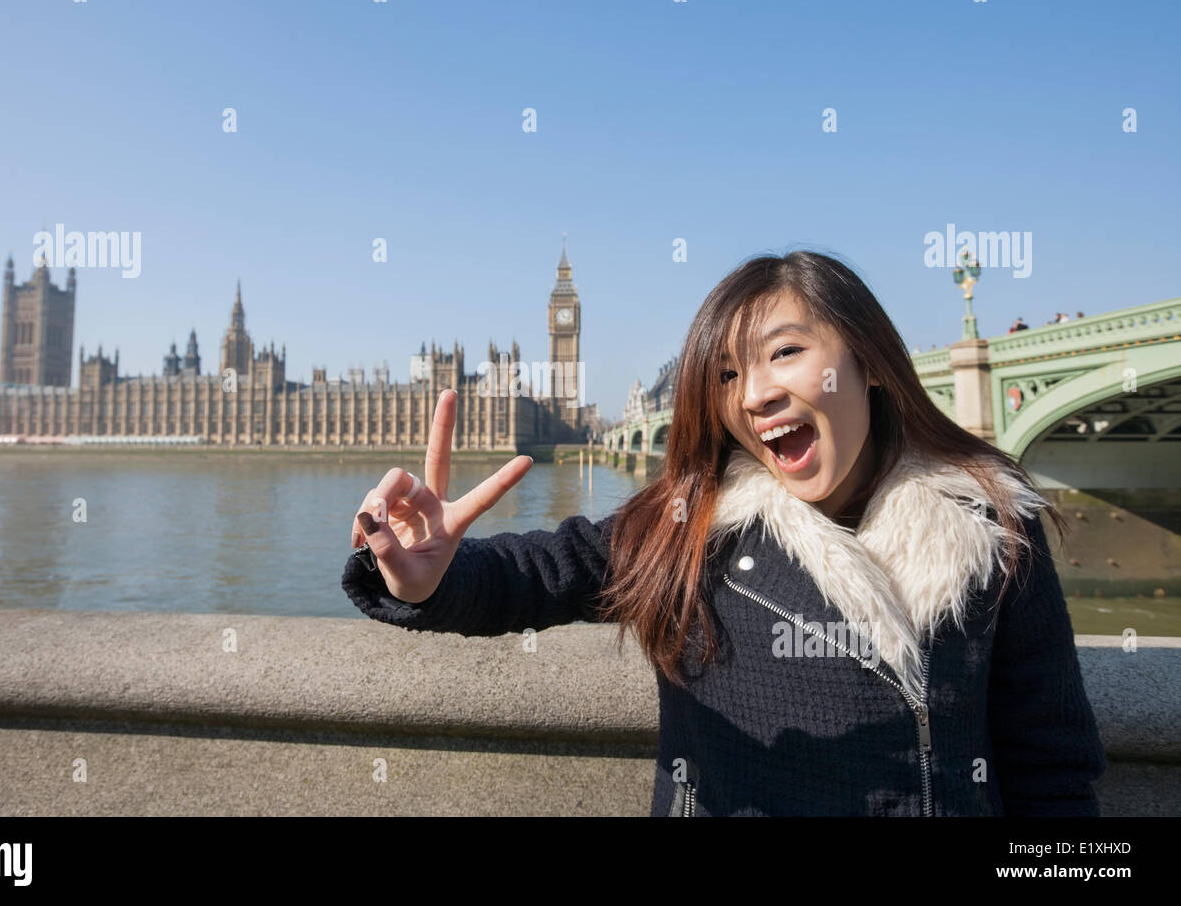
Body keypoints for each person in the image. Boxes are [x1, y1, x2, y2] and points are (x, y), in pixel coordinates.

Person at [342, 250, 1105, 816]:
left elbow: (1053, 767)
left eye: (784, 353)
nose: (757, 393)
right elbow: (542, 572)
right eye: (728, 375)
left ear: (868, 359)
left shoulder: (994, 531)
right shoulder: (689, 531)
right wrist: (432, 573)